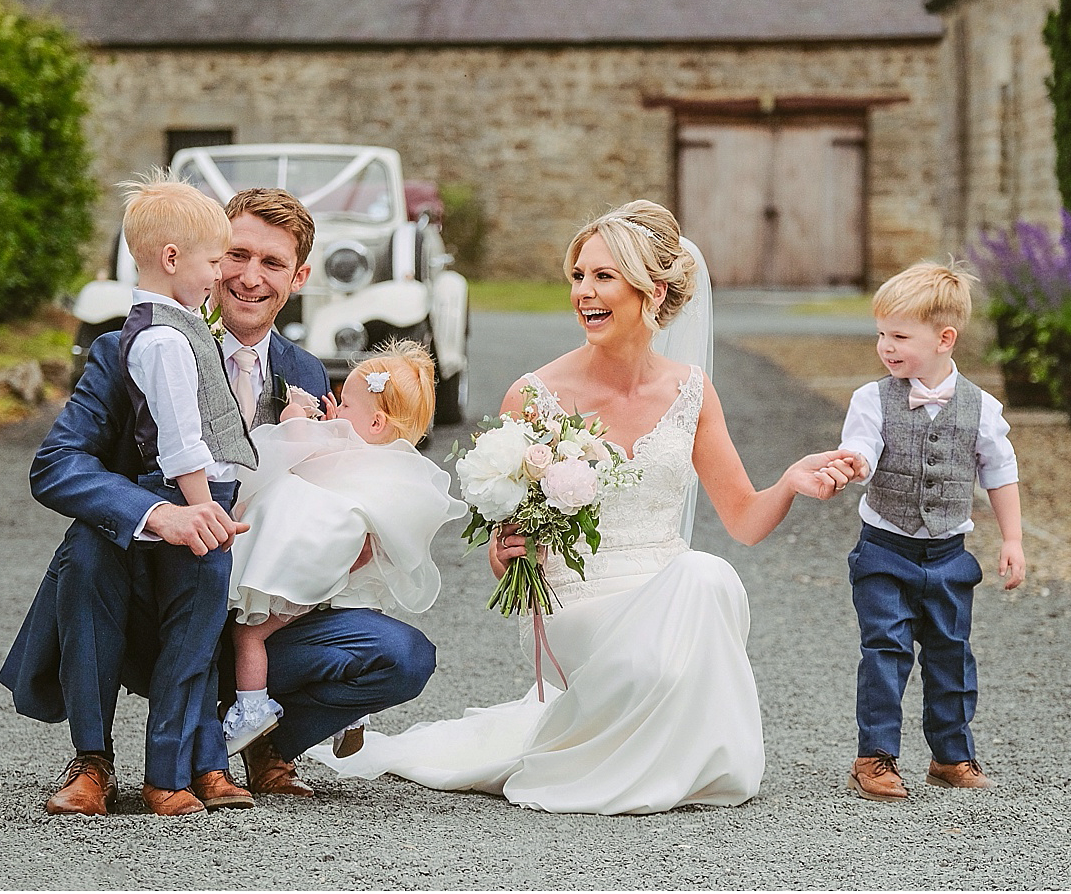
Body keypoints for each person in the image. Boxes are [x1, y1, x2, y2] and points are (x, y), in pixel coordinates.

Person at [310, 200, 866, 815]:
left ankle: (686, 765)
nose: (583, 292)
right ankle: (653, 764)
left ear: (652, 291)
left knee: (708, 576)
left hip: (667, 590)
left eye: (603, 276)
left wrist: (789, 481)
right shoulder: (535, 394)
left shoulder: (692, 392)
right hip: (573, 610)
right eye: (577, 275)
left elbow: (744, 521)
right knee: (702, 582)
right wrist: (508, 553)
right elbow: (507, 564)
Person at [0, 187, 435, 815]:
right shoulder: (134, 347)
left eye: (273, 264)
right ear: (201, 257)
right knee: (88, 547)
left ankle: (262, 744)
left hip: (254, 619)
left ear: (300, 277)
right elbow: (57, 465)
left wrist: (359, 541)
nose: (249, 277)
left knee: (402, 655)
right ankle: (92, 762)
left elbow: (346, 485)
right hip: (150, 600)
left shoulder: (310, 374)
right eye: (236, 254)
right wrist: (159, 514)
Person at [835, 259, 1025, 802]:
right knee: (885, 649)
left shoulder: (982, 408)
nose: (885, 347)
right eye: (880, 334)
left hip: (948, 552)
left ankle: (951, 754)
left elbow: (1001, 472)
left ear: (945, 339)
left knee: (951, 653)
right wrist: (854, 463)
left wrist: (1011, 540)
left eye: (899, 336)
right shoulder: (871, 399)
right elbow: (863, 446)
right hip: (884, 548)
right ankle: (874, 757)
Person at [222, 341, 466, 756]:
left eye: (345, 406)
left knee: (250, 632)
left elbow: (290, 454)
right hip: (345, 591)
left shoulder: (339, 452)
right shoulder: (394, 464)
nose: (333, 409)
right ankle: (352, 716)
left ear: (374, 423)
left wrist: (295, 419)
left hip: (301, 576)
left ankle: (251, 708)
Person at [114, 171, 260, 815]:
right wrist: (204, 508)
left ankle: (199, 766)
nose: (218, 276)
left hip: (203, 500)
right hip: (196, 502)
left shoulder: (176, 327)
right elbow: (179, 439)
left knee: (201, 642)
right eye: (212, 261)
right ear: (172, 259)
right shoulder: (166, 339)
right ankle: (166, 778)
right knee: (189, 646)